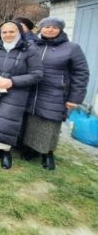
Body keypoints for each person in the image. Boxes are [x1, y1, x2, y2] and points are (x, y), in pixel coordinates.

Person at [23, 17, 89, 170]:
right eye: (46, 27)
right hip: (32, 89)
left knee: (50, 123)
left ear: (60, 29)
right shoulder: (32, 45)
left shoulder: (71, 48)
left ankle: (48, 153)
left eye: (54, 27)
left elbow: (81, 73)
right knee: (31, 120)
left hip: (55, 92)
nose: (50, 29)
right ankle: (31, 149)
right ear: (41, 28)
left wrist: (75, 98)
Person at [0, 21, 43, 169]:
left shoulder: (29, 49)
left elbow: (37, 74)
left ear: (19, 32)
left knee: (7, 123)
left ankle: (6, 153)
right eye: (5, 32)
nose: (7, 35)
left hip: (16, 93)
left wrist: (12, 81)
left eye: (11, 32)